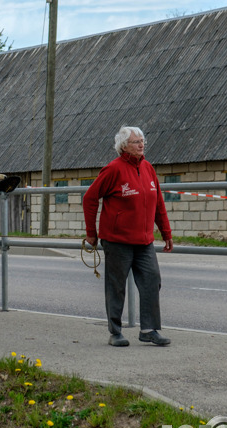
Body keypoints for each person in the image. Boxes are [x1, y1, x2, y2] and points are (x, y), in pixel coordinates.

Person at [82, 126, 174, 347]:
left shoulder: (148, 168)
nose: (141, 145)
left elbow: (158, 203)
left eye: (143, 140)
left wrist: (166, 232)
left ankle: (149, 330)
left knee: (152, 280)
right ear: (124, 146)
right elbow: (90, 198)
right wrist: (91, 234)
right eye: (136, 142)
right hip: (117, 241)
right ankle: (115, 332)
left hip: (144, 242)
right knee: (116, 286)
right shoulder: (113, 170)